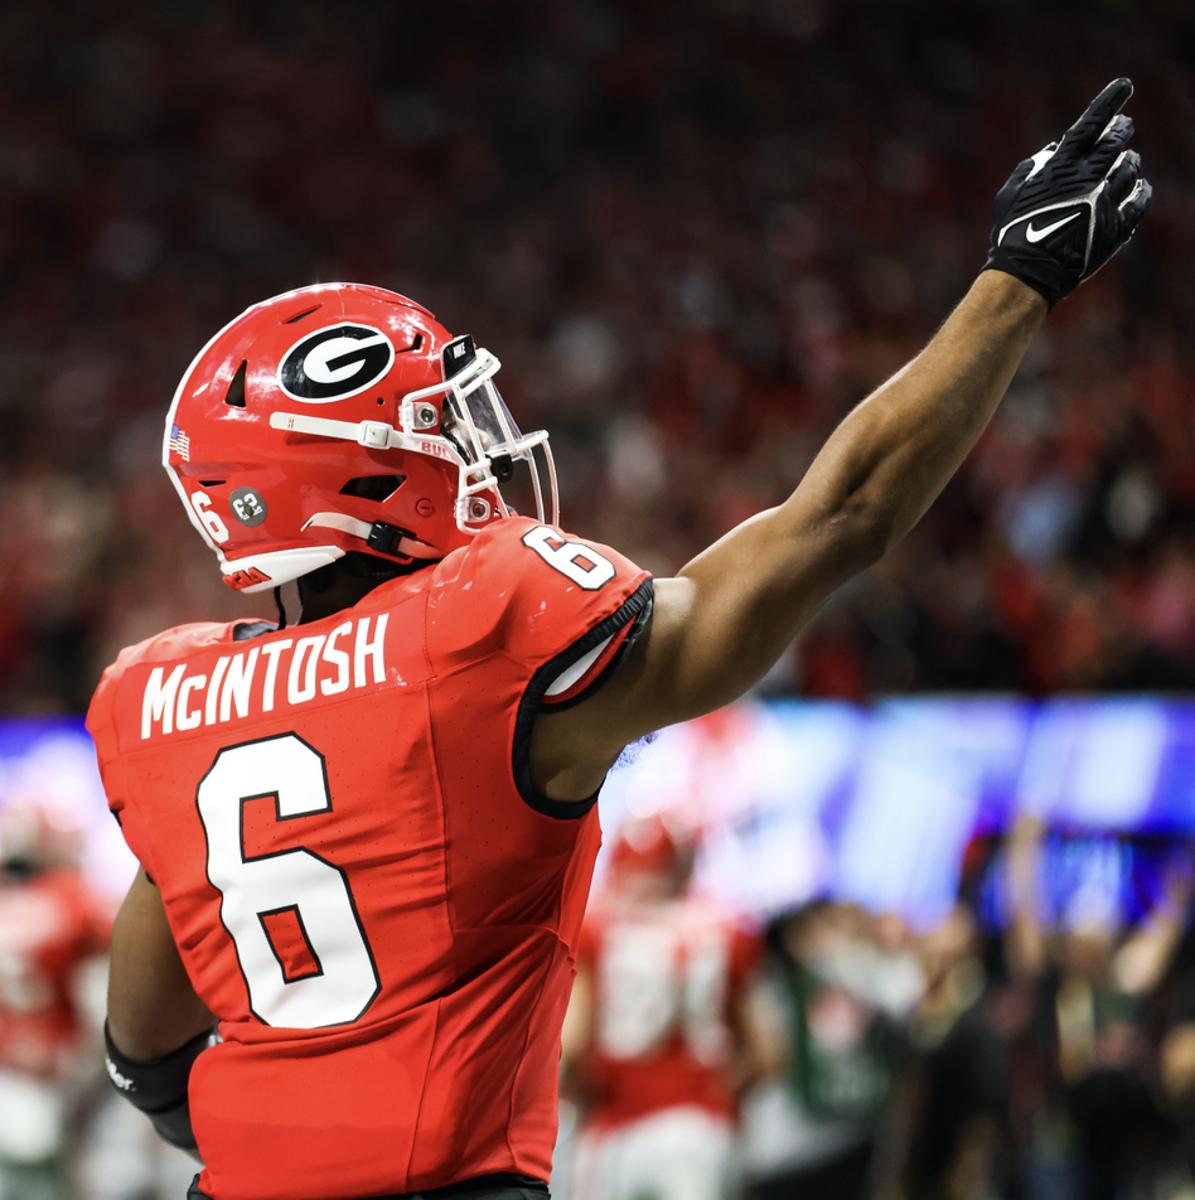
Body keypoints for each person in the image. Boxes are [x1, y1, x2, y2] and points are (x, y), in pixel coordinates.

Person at [87, 78, 1151, 1200]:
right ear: (345, 477)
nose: (472, 449)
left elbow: (141, 1049)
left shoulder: (154, 701)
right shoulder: (483, 623)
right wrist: (1018, 280)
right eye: (435, 427)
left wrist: (275, 1135)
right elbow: (840, 519)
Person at [561, 817, 769, 1200]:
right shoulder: (729, 929)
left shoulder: (594, 927)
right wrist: (713, 1095)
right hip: (700, 1128)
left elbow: (572, 1049)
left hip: (616, 1125)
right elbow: (769, 1054)